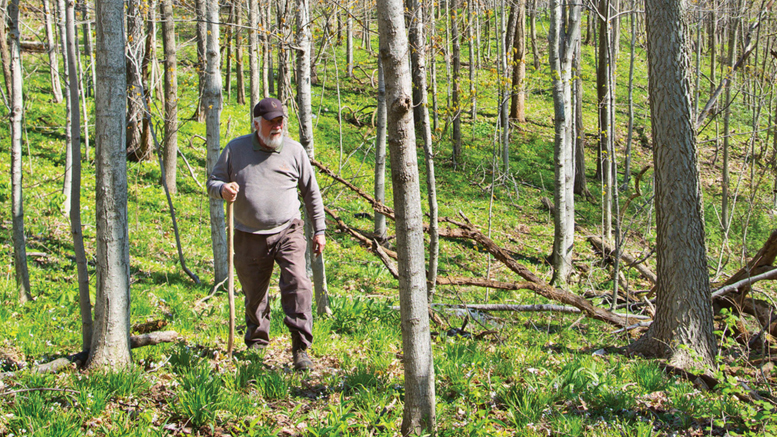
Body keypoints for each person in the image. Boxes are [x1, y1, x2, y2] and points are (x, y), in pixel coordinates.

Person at [206, 97, 325, 371]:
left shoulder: (295, 151)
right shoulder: (236, 149)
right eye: (271, 122)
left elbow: (311, 193)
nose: (277, 126)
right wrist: (222, 190)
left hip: (288, 230)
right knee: (254, 294)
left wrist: (319, 230)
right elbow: (213, 181)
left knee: (298, 285)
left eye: (280, 121)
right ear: (256, 124)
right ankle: (257, 344)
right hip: (248, 235)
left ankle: (300, 349)